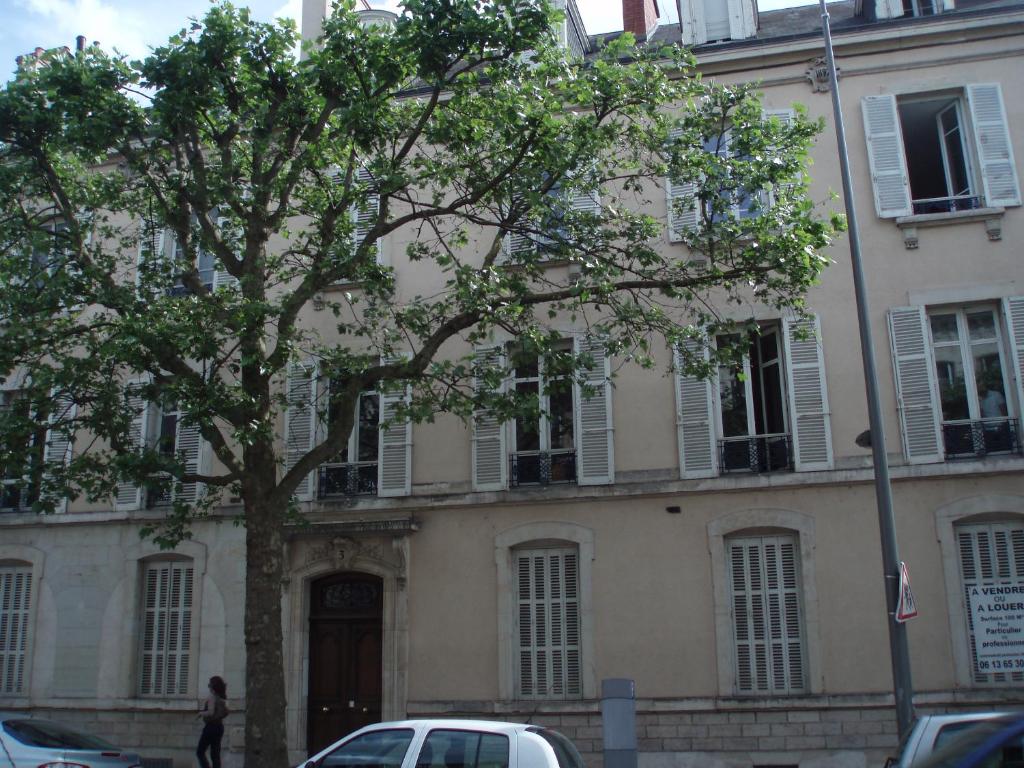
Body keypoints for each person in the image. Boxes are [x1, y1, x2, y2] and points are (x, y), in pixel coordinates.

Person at [196, 675, 229, 768]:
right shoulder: (220, 698)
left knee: (200, 752)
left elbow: (210, 712)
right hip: (219, 727)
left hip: (210, 727)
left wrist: (201, 713)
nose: (208, 687)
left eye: (209, 685)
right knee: (215, 754)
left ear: (213, 686)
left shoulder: (212, 697)